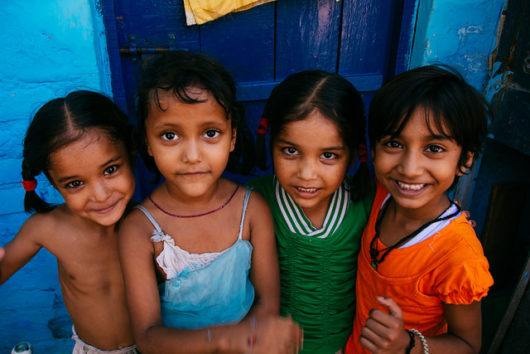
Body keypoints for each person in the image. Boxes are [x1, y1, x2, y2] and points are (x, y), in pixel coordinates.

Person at [119, 51, 302, 353]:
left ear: (232, 138)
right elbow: (148, 337)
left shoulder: (251, 209)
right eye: (169, 135)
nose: (192, 156)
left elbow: (267, 304)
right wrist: (224, 341)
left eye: (211, 133)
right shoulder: (139, 229)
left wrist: (244, 342)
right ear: (147, 143)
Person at [345, 65, 494, 354]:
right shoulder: (380, 195)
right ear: (373, 150)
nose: (410, 169)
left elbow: (468, 346)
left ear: (465, 160)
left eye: (434, 148)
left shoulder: (458, 257)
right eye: (394, 144)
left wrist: (407, 344)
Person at [247, 70, 375, 353]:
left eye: (328, 155)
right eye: (290, 151)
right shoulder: (253, 202)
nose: (307, 174)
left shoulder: (368, 203)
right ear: (271, 145)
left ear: (353, 154)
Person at [0, 91, 138, 353]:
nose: (100, 195)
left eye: (110, 169)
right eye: (75, 184)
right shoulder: (47, 228)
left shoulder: (153, 221)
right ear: (53, 183)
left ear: (131, 152)